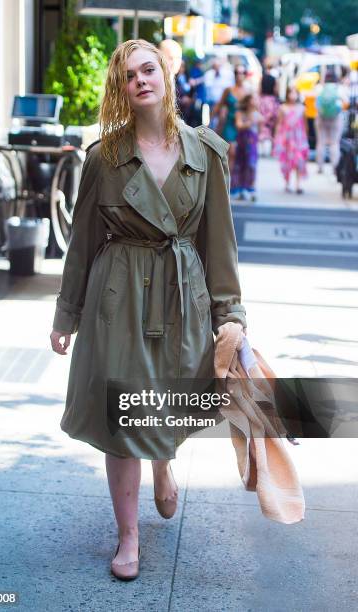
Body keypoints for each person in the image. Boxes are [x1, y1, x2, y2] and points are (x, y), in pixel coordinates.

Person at [50, 39, 247, 581]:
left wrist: (230, 316)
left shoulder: (205, 153)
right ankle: (128, 536)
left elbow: (219, 244)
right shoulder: (105, 157)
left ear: (165, 75)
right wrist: (66, 315)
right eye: (129, 74)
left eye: (148, 69)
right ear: (120, 88)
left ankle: (163, 463)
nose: (141, 80)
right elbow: (83, 241)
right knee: (122, 416)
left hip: (182, 293)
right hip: (118, 296)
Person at [210, 64, 249, 171]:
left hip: (242, 125)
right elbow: (219, 105)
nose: (239, 75)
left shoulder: (248, 92)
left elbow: (253, 109)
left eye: (242, 73)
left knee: (241, 155)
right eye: (236, 73)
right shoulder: (228, 90)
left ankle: (237, 181)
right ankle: (228, 181)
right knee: (231, 152)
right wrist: (209, 122)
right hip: (230, 123)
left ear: (245, 75)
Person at [273, 86, 309, 194]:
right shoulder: (283, 108)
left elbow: (305, 125)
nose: (293, 95)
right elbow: (279, 123)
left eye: (295, 93)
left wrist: (305, 139)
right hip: (287, 139)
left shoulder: (302, 108)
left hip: (298, 139)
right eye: (291, 93)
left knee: (299, 160)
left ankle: (298, 184)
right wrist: (277, 138)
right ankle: (287, 183)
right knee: (287, 161)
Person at [315, 71, 349, 174]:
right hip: (336, 118)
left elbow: (315, 104)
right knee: (334, 143)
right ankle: (335, 167)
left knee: (321, 142)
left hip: (321, 118)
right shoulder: (340, 89)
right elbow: (346, 102)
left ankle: (320, 166)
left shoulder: (320, 88)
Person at [231, 93, 264, 201]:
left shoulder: (258, 115)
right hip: (242, 142)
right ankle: (239, 188)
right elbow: (239, 125)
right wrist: (249, 123)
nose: (255, 101)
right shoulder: (240, 113)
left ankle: (250, 187)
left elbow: (260, 130)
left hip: (252, 143)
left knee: (251, 164)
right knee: (240, 164)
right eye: (253, 99)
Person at [258, 59, 279, 157]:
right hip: (271, 101)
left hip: (263, 101)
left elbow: (259, 90)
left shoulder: (262, 78)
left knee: (262, 125)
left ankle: (262, 146)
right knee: (270, 126)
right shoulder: (274, 78)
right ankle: (269, 148)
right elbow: (276, 90)